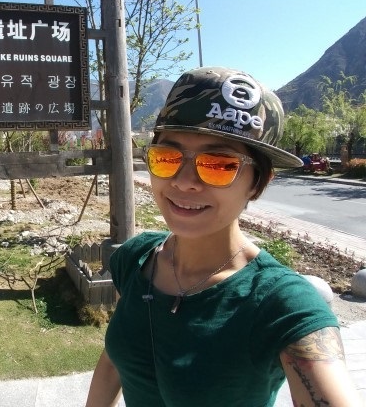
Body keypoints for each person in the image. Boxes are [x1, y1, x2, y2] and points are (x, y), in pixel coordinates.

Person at [85, 67, 360, 406]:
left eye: (219, 164)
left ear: (258, 183)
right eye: (167, 157)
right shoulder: (135, 258)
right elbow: (116, 361)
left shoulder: (281, 303)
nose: (184, 181)